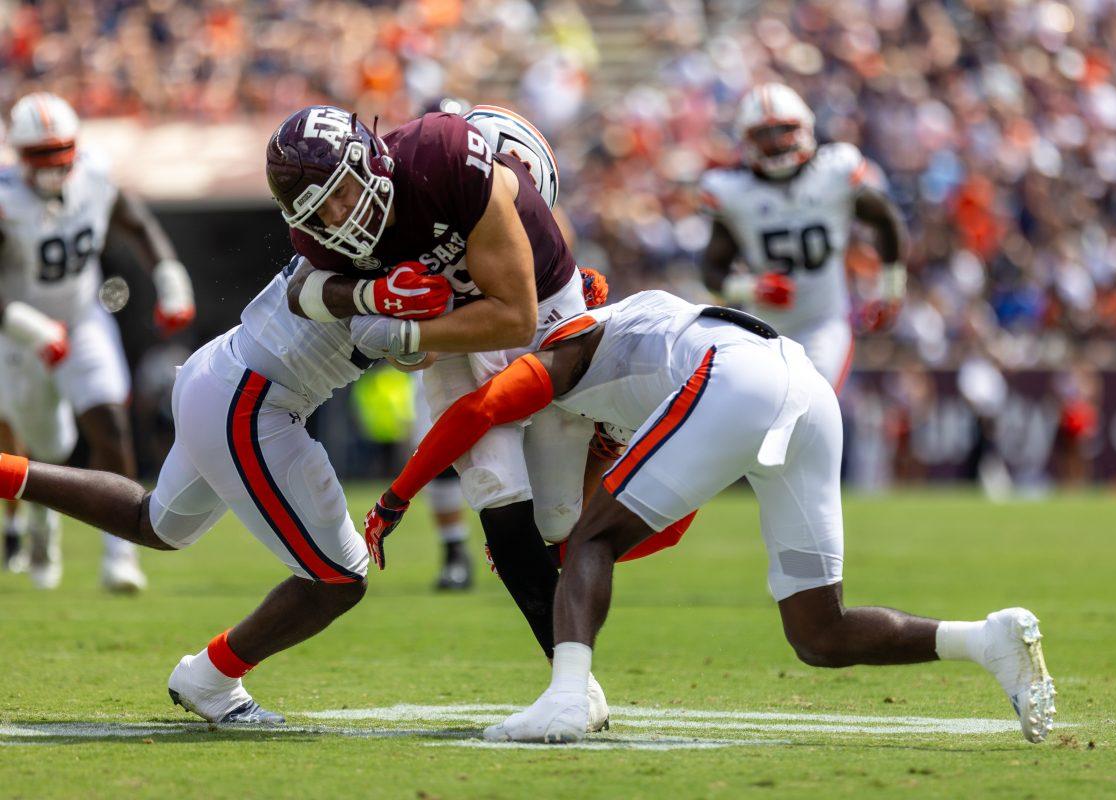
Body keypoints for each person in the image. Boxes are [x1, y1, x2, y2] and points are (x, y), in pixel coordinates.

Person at [364, 290, 1057, 745]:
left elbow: (479, 411)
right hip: (802, 388)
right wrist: (576, 547)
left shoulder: (571, 343)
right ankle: (986, 642)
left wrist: (396, 496)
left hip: (733, 379)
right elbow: (672, 521)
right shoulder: (638, 340)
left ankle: (568, 697)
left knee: (591, 537)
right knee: (819, 632)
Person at [0, 245, 453, 723]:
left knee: (152, 523)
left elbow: (404, 349)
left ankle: (6, 472)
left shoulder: (363, 231)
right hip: (256, 400)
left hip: (224, 368)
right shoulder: (381, 237)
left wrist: (410, 326)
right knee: (340, 579)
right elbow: (351, 314)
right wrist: (404, 311)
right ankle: (211, 678)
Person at [275, 104, 611, 728]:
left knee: (559, 515)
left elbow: (514, 316)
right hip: (460, 332)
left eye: (342, 195)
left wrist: (403, 334)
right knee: (498, 502)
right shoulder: (322, 231)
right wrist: (375, 299)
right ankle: (576, 687)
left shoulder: (445, 157)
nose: (338, 219)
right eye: (319, 212)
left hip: (539, 313)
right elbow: (300, 291)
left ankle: (601, 451)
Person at [0, 92, 195, 592]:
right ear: (19, 155)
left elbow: (139, 226)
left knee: (110, 422)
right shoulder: (5, 200)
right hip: (20, 333)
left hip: (85, 318)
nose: (51, 164)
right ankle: (44, 521)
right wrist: (30, 327)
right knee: (49, 446)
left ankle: (121, 553)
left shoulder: (95, 175)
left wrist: (170, 280)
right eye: (38, 155)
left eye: (58, 150)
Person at [699, 82, 907, 392]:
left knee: (810, 397)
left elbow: (886, 220)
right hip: (761, 328)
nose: (776, 141)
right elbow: (712, 272)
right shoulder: (731, 191)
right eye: (764, 134)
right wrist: (752, 288)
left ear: (806, 127)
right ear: (746, 140)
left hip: (825, 322)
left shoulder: (834, 170)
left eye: (784, 129)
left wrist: (891, 291)